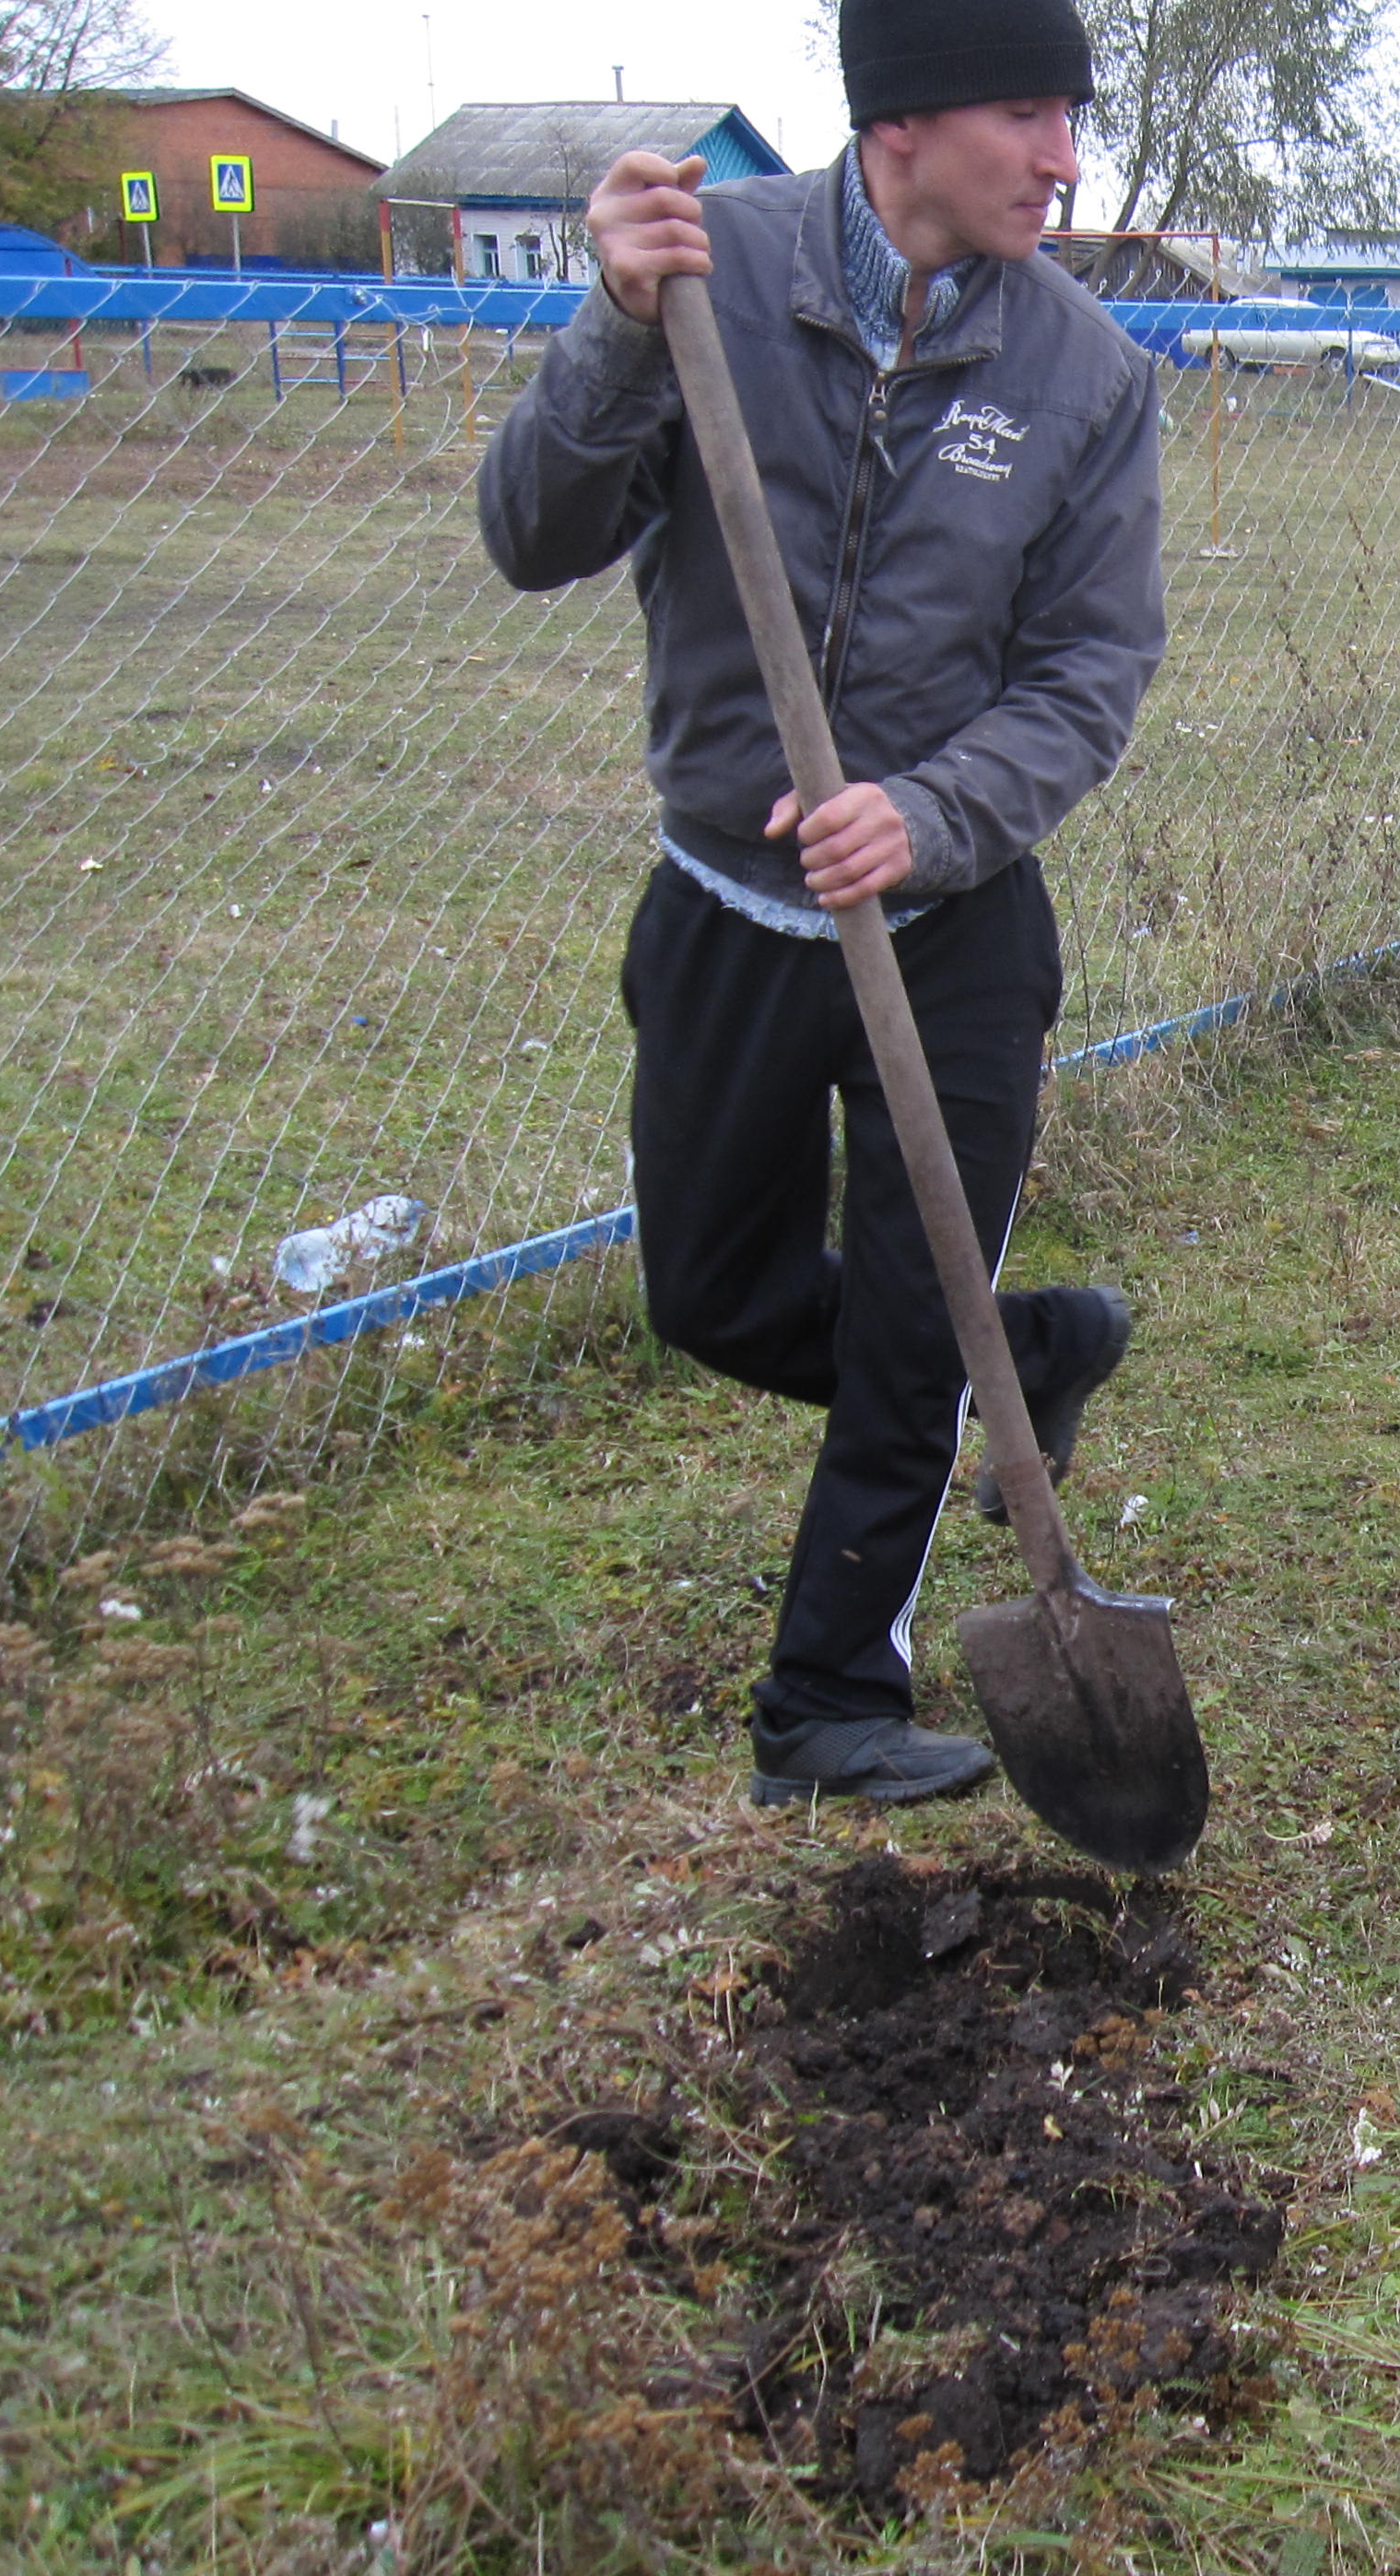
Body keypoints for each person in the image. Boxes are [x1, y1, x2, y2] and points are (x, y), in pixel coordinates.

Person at [478, 0, 1162, 1806]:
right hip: (725, 897)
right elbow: (527, 531)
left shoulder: (1084, 374)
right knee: (712, 1295)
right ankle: (1021, 1355)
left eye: (1066, 115)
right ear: (905, 118)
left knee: (905, 1321)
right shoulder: (707, 271)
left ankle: (827, 1703)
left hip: (952, 922)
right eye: (1027, 111)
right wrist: (616, 330)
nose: (1061, 156)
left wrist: (927, 817)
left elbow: (1088, 672)